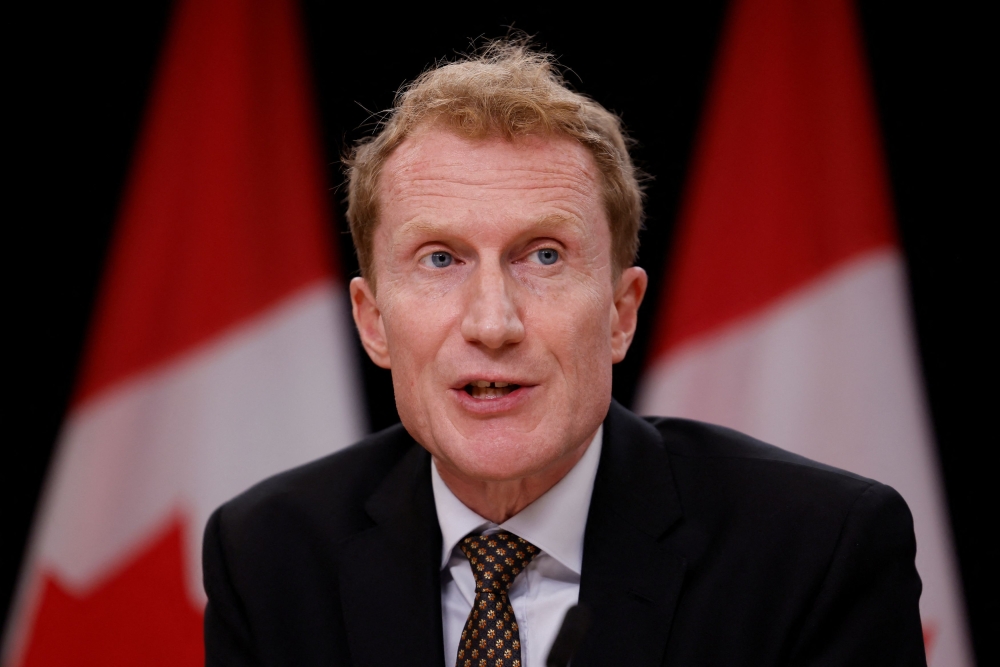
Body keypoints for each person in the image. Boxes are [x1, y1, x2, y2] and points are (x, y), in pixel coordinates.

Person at [203, 42, 926, 666]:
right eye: (441, 258)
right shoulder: (270, 557)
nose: (493, 321)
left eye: (544, 255)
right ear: (374, 323)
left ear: (620, 311)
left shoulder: (815, 552)